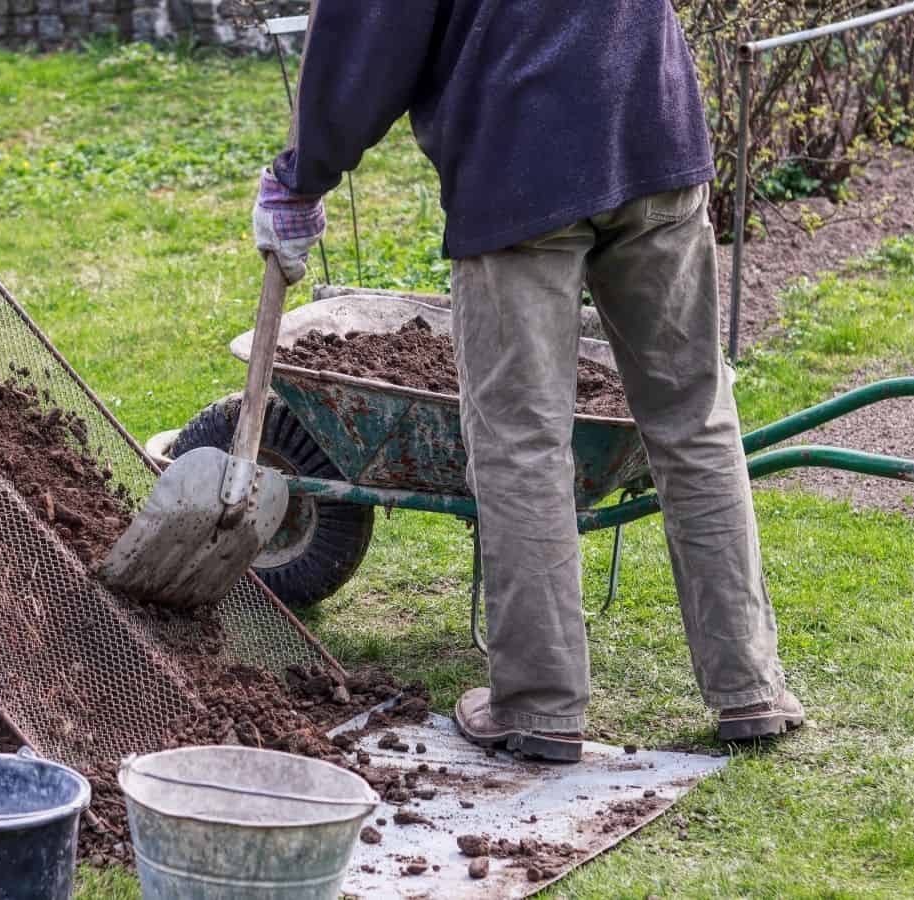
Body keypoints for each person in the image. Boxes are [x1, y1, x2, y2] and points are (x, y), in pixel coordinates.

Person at [252, 0, 802, 762]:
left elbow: (367, 34)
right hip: (652, 124)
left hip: (524, 159)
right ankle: (750, 687)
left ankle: (538, 706)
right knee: (692, 414)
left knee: (521, 436)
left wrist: (300, 178)